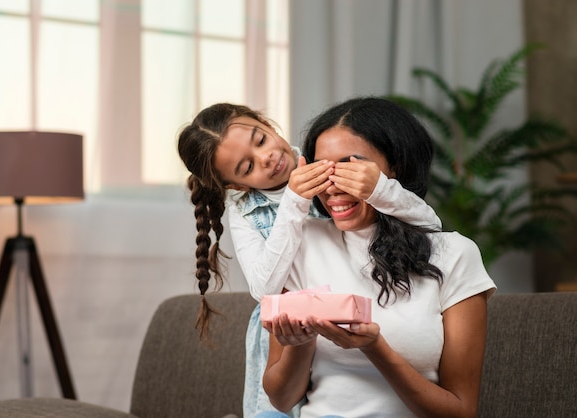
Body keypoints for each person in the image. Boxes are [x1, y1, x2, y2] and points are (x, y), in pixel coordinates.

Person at [177, 102, 442, 417]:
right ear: (236, 185)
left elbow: (430, 227)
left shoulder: (325, 155)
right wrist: (295, 199)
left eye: (260, 140)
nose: (267, 158)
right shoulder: (244, 211)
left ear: (266, 123)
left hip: (352, 308)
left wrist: (378, 189)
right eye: (247, 168)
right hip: (289, 330)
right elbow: (265, 291)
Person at [259, 97, 496, 418]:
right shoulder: (302, 242)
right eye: (322, 170)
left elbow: (460, 411)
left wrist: (374, 347)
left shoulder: (454, 254)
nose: (332, 188)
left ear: (392, 168)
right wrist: (301, 343)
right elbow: (282, 400)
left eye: (349, 168)